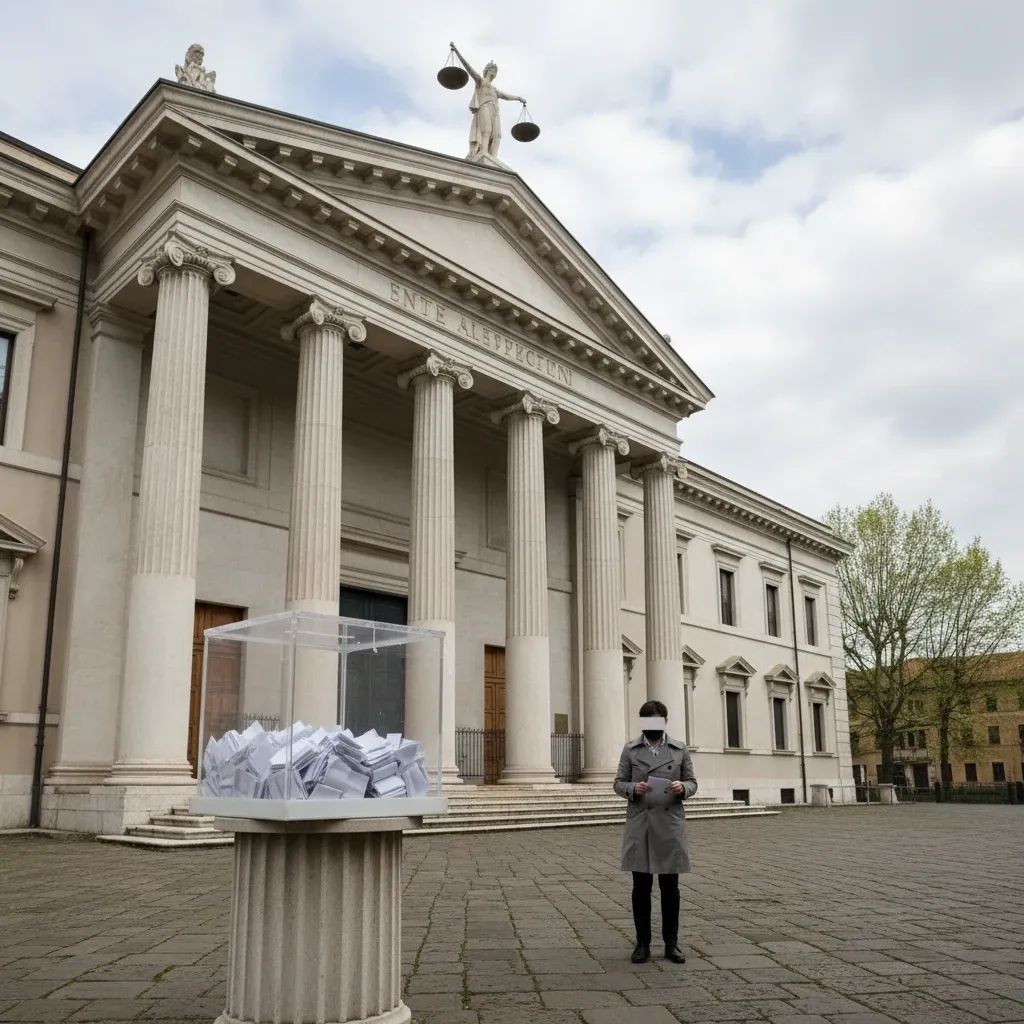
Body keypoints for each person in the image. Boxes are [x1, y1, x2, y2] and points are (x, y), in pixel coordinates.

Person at [613, 699, 698, 964]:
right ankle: (642, 943)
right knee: (641, 887)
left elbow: (693, 782)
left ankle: (672, 944)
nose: (652, 727)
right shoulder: (630, 749)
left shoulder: (679, 749)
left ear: (664, 722)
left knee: (670, 887)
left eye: (656, 722)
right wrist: (631, 789)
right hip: (641, 823)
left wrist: (682, 788)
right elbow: (618, 782)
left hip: (669, 822)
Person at [449, 43, 526, 160]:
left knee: (497, 135)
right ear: (487, 70)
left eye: (496, 71)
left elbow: (505, 96)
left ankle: (492, 159)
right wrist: (457, 51)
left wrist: (518, 98)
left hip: (495, 110)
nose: (495, 73)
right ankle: (483, 154)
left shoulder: (494, 89)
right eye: (493, 70)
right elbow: (468, 68)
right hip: (484, 107)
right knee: (486, 131)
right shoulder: (481, 82)